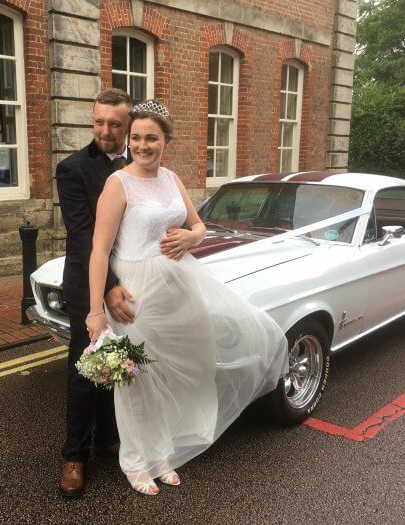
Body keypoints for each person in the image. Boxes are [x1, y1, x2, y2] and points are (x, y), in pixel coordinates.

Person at [86, 100, 288, 495]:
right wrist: (96, 310)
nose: (142, 145)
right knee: (138, 380)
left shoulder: (172, 178)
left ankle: (160, 453)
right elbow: (98, 250)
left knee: (178, 373)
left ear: (166, 142)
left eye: (151, 138)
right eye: (136, 138)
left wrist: (190, 237)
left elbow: (199, 226)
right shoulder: (118, 184)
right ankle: (134, 461)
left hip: (178, 288)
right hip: (137, 291)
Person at [56, 88, 137, 498]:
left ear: (128, 125)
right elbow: (84, 236)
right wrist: (107, 290)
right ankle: (74, 455)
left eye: (114, 124)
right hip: (88, 283)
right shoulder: (72, 169)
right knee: (85, 369)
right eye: (98, 122)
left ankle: (107, 438)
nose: (105, 131)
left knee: (117, 361)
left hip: (132, 282)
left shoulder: (142, 163)